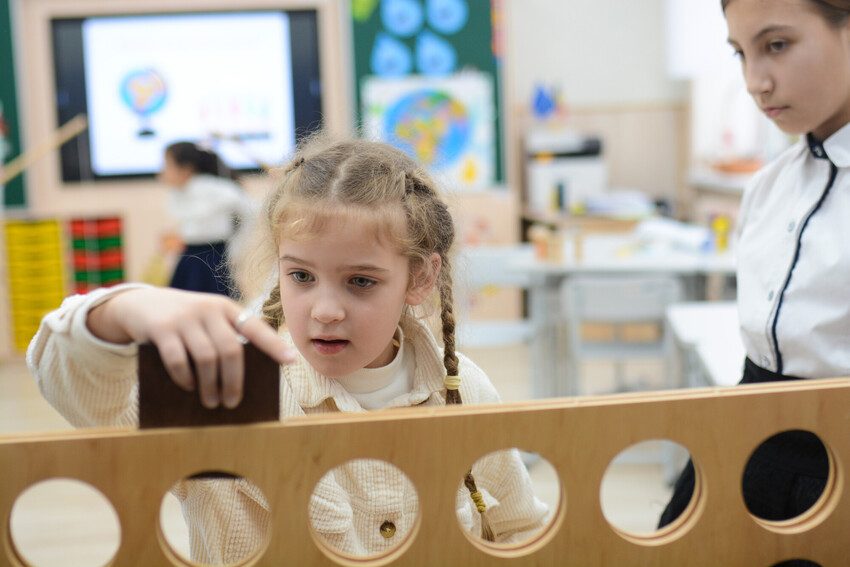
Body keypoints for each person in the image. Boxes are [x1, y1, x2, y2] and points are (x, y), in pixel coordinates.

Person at [29, 136, 548, 564]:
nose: (324, 310)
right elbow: (81, 395)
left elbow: (521, 528)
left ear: (420, 277)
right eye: (301, 275)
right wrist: (121, 311)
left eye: (361, 282)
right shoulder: (229, 387)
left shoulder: (466, 389)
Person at [659, 0, 850, 544]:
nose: (755, 81)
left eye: (777, 46)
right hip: (746, 439)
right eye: (741, 53)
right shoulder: (769, 186)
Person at [158, 141, 250, 297]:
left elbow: (249, 211)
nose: (162, 171)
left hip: (212, 256)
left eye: (167, 165)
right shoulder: (179, 192)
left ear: (186, 168)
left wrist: (236, 248)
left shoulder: (213, 188)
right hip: (190, 254)